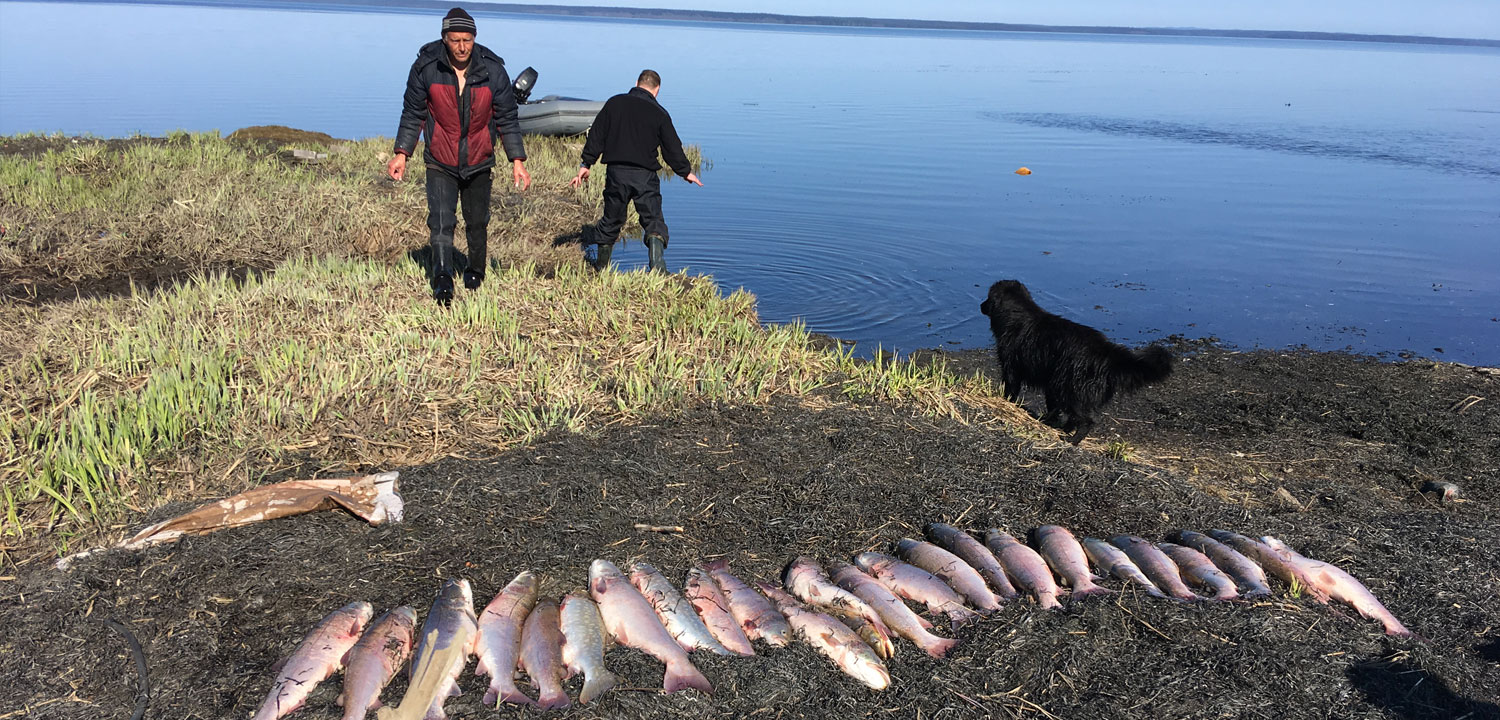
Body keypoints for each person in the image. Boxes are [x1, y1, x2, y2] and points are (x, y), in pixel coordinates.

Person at [387, 7, 531, 305]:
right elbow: (413, 113)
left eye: (467, 39)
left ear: (475, 38)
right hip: (440, 158)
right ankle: (442, 278)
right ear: (444, 39)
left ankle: (475, 271)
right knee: (441, 220)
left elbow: (506, 117)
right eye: (455, 40)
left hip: (479, 158)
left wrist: (517, 161)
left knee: (477, 220)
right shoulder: (426, 67)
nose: (462, 47)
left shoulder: (493, 70)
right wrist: (402, 153)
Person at [569, 69, 702, 273]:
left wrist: (586, 164)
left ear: (636, 83)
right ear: (657, 89)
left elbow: (596, 135)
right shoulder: (659, 113)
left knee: (611, 218)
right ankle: (658, 269)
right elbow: (672, 147)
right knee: (653, 220)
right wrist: (685, 171)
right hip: (645, 176)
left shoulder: (614, 103)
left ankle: (601, 268)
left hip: (616, 173)